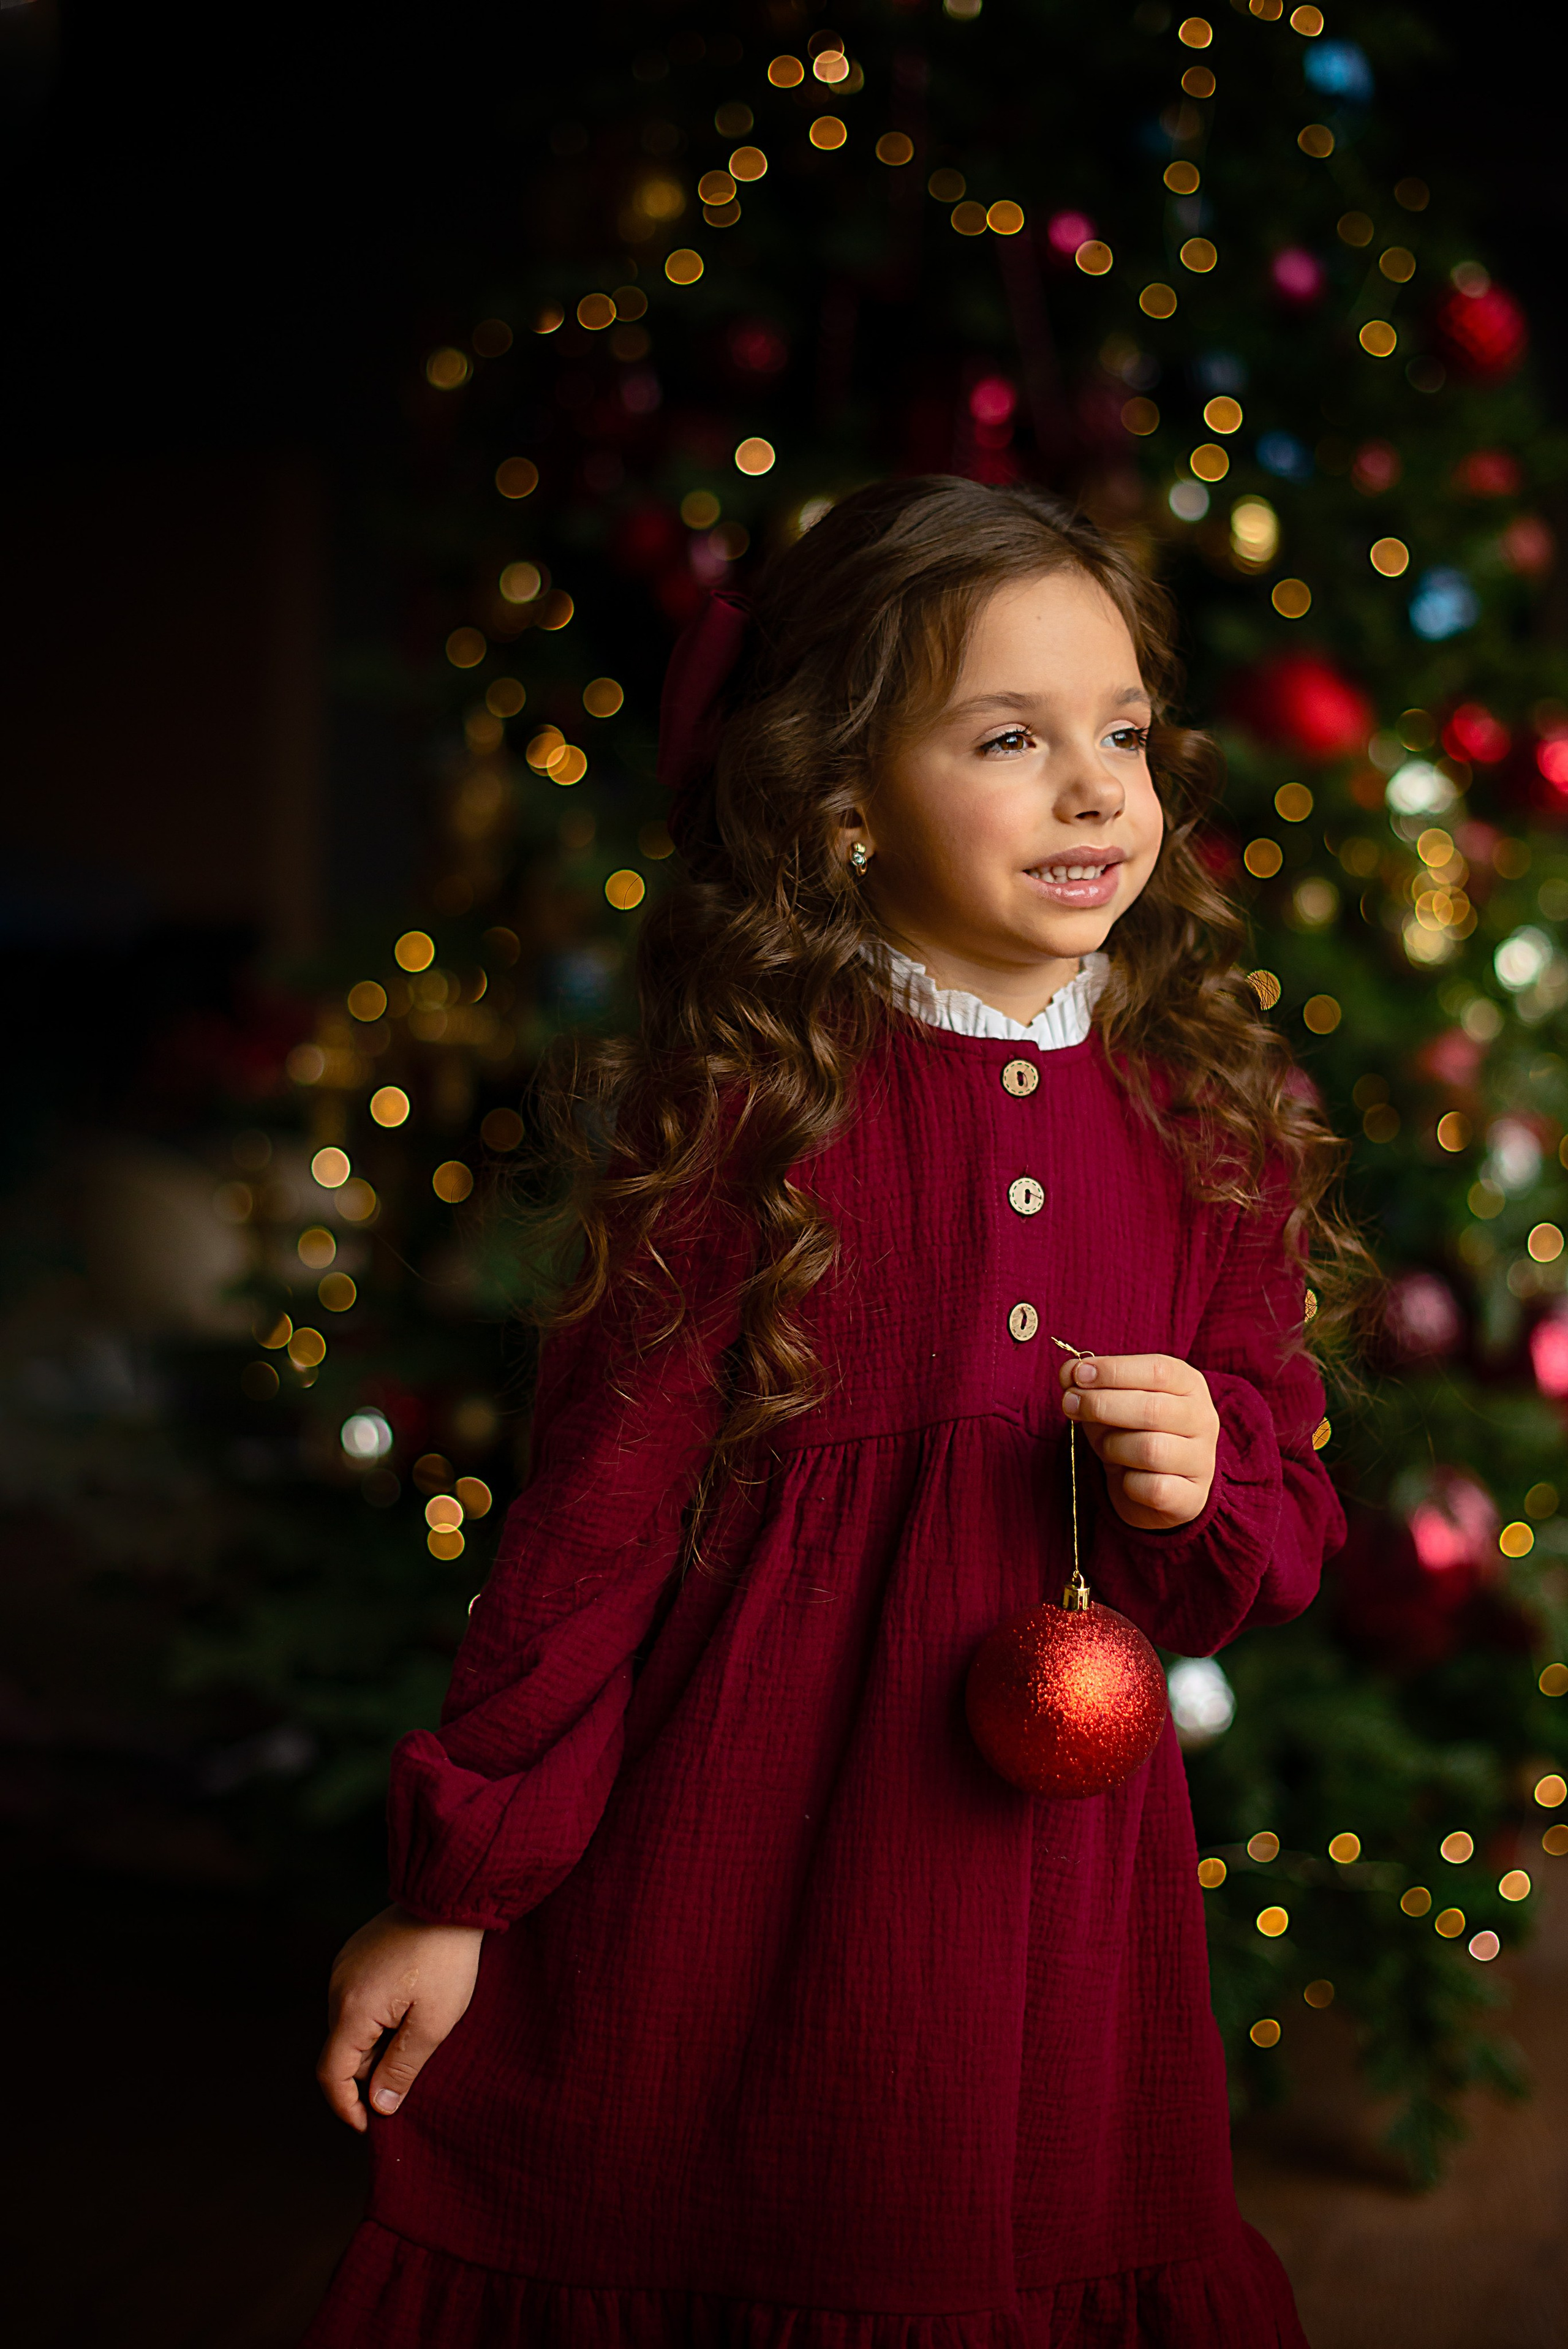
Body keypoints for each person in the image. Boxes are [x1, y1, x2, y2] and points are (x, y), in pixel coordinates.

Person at [304, 477, 1368, 2347]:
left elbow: (1259, 1539)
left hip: (1059, 1921)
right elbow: (591, 1528)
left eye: (1121, 731)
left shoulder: (1212, 1115)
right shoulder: (753, 1109)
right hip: (741, 1872)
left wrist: (1196, 1472)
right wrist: (461, 1888)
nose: (1099, 788)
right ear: (845, 795)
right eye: (1011, 737)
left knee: (1021, 2236)